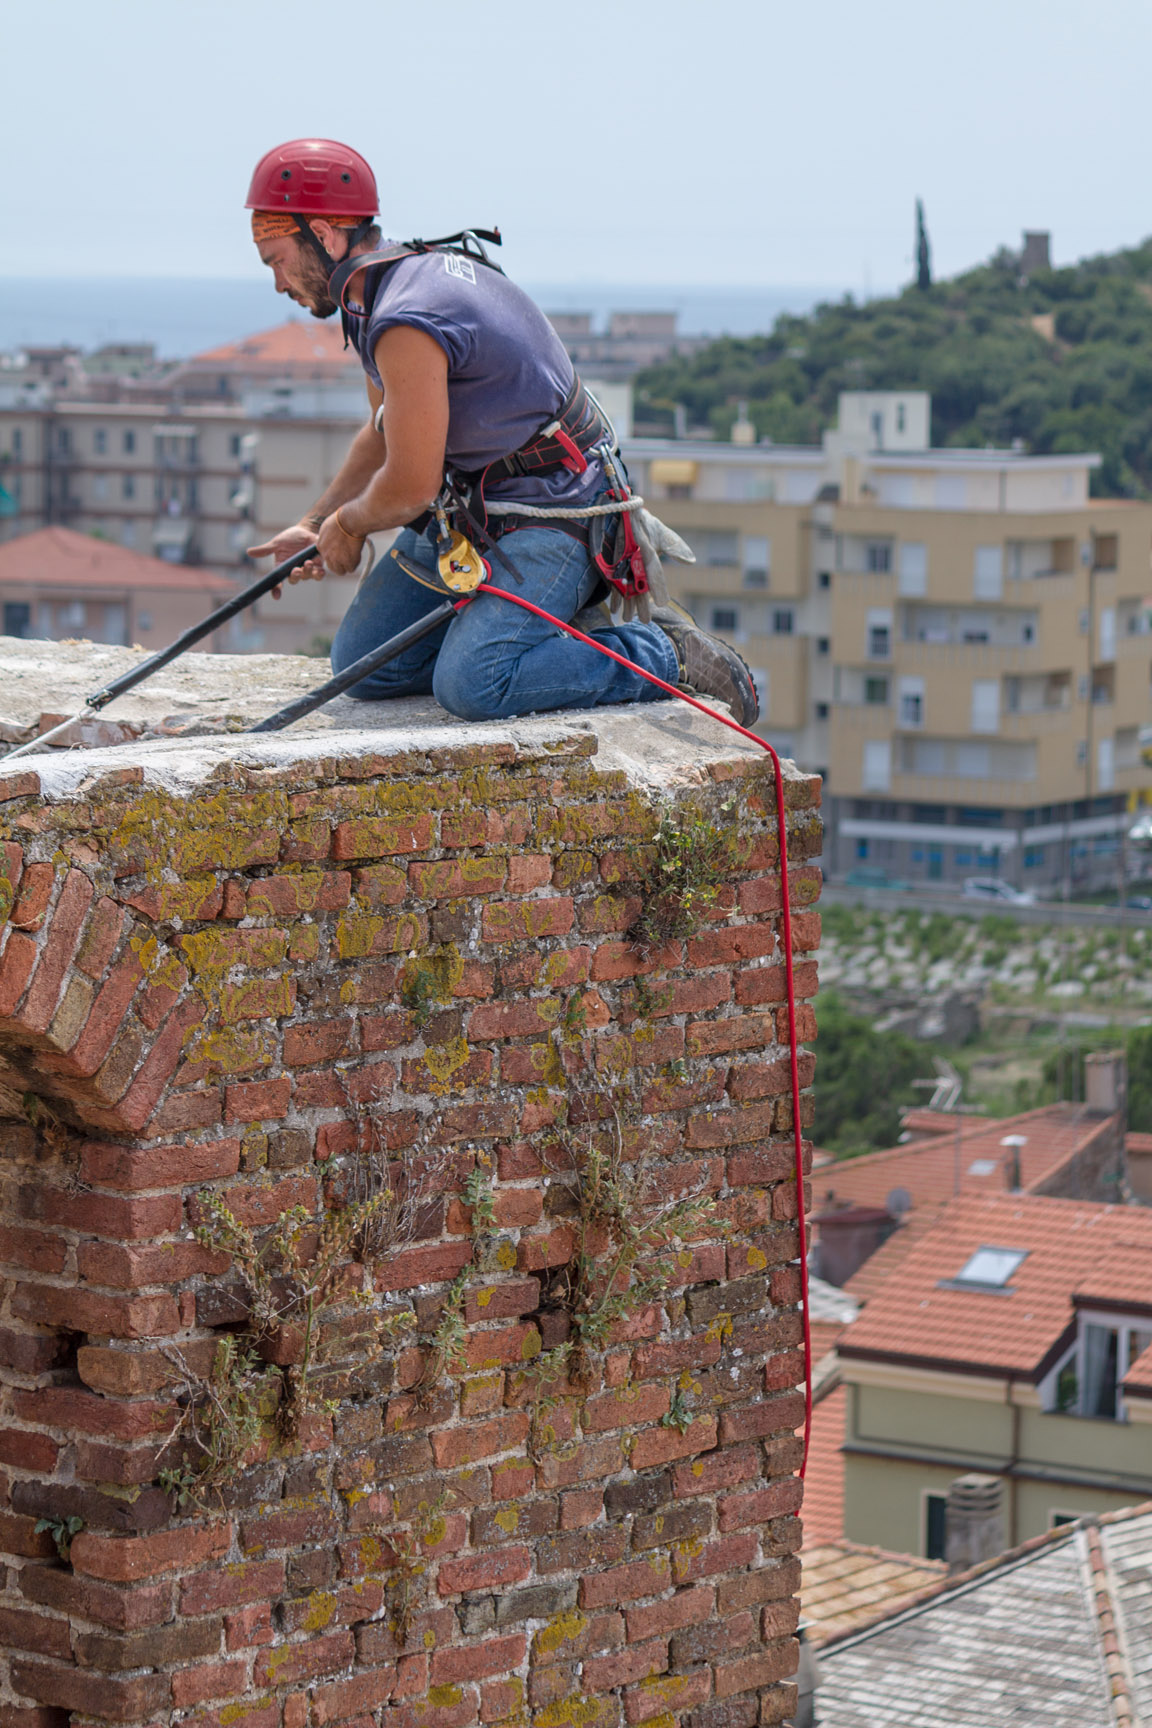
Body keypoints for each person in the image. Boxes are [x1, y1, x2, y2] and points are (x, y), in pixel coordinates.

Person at [245, 138, 758, 727]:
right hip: (476, 511)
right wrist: (315, 525)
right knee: (365, 666)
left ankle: (667, 654)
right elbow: (385, 434)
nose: (278, 282)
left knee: (474, 684)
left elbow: (411, 485)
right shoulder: (374, 298)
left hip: (558, 510)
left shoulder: (404, 318)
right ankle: (535, 630)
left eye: (278, 260)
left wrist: (349, 525)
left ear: (324, 233)